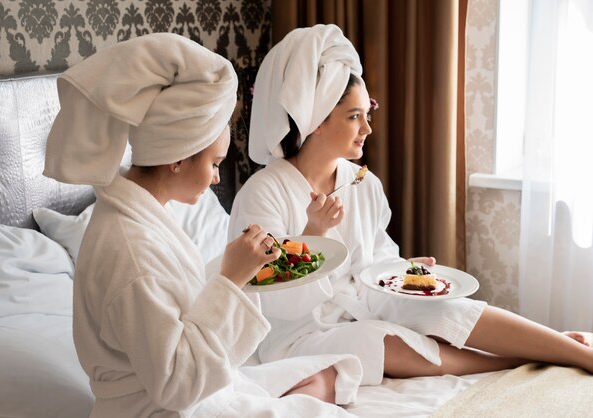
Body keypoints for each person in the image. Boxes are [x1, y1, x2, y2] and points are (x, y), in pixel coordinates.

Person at [228, 24, 593, 387]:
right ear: (316, 121)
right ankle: (523, 357)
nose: (367, 129)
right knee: (379, 342)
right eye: (354, 116)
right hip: (299, 331)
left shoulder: (363, 182)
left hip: (364, 304)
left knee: (448, 308)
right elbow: (270, 298)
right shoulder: (263, 193)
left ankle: (572, 350)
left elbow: (376, 262)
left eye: (367, 114)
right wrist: (314, 236)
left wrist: (404, 272)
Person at [43, 33, 363, 417]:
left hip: (194, 389)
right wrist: (230, 280)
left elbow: (178, 311)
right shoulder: (131, 250)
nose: (217, 178)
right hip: (166, 408)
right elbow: (177, 384)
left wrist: (242, 274)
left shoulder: (142, 215)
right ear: (177, 158)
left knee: (332, 372)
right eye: (214, 163)